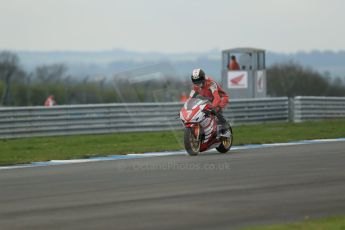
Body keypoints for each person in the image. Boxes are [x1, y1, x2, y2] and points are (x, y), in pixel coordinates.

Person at [189, 68, 230, 135]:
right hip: (211, 99)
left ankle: (225, 130)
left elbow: (217, 98)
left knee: (216, 111)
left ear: (203, 78)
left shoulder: (211, 83)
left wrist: (212, 107)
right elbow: (190, 98)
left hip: (221, 98)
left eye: (199, 81)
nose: (198, 83)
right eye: (195, 81)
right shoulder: (196, 86)